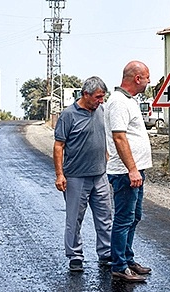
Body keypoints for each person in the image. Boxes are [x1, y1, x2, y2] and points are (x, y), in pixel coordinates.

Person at [53, 76, 112, 272]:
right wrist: (60, 175)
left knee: (105, 217)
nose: (100, 101)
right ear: (85, 94)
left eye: (102, 97)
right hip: (76, 176)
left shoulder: (101, 111)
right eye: (97, 97)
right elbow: (59, 145)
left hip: (100, 175)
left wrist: (105, 154)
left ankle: (106, 253)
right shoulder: (68, 115)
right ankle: (75, 256)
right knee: (74, 219)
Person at [105, 60, 153, 283]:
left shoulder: (129, 101)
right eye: (147, 77)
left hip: (135, 171)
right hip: (125, 172)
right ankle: (119, 265)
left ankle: (127, 257)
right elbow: (119, 136)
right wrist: (132, 169)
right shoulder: (117, 102)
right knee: (124, 219)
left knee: (134, 216)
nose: (149, 81)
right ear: (137, 78)